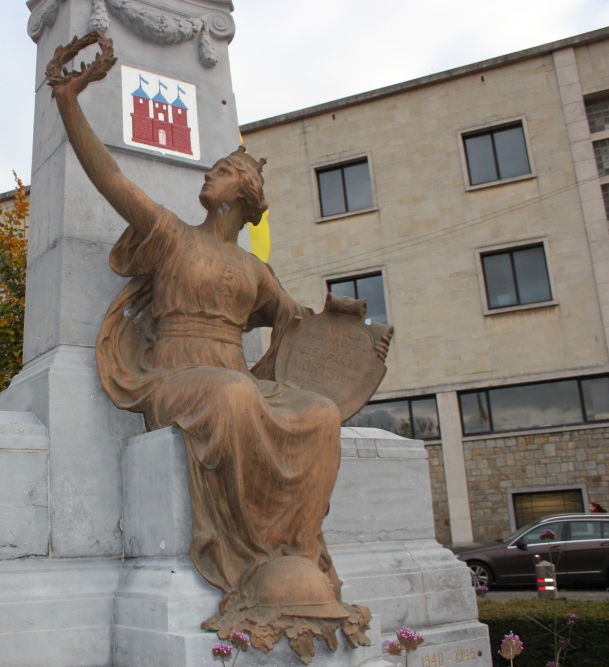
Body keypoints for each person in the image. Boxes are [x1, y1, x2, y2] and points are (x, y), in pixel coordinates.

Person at [46, 33, 377, 657]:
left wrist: (351, 329)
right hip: (173, 373)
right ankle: (246, 556)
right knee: (233, 396)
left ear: (243, 198)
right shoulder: (171, 236)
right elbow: (110, 176)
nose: (211, 174)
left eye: (224, 172)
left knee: (319, 413)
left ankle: (295, 558)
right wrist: (69, 103)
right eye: (216, 167)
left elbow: (298, 327)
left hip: (231, 378)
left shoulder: (255, 272)